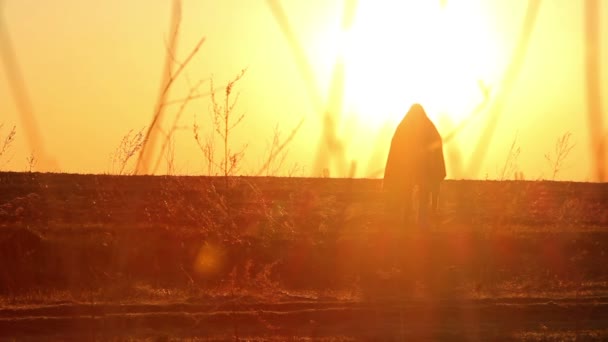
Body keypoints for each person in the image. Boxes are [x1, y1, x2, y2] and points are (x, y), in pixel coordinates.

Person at [383, 103, 446, 227]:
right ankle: (414, 218)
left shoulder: (405, 126)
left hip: (417, 165)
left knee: (412, 190)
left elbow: (396, 146)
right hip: (415, 165)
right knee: (413, 190)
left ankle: (413, 219)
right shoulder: (427, 126)